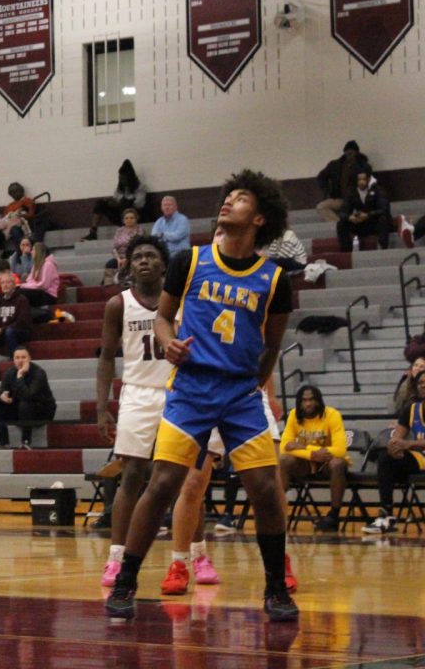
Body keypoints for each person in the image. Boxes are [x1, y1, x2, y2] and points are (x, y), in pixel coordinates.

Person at [105, 169, 298, 623]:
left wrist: (255, 384)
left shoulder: (273, 280)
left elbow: (271, 346)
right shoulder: (189, 261)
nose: (229, 201)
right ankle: (126, 579)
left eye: (242, 198)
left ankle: (274, 588)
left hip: (239, 393)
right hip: (190, 389)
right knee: (164, 483)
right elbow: (163, 318)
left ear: (260, 219)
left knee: (266, 490)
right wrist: (169, 340)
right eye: (228, 195)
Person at [95, 235, 177, 585]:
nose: (144, 260)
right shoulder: (118, 304)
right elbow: (105, 358)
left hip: (176, 393)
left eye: (151, 255)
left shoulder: (179, 300)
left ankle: (187, 557)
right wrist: (102, 407)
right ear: (128, 264)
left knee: (183, 480)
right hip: (137, 394)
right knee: (131, 475)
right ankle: (116, 557)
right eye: (137, 256)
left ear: (163, 263)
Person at [278, 385, 349, 532]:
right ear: (299, 403)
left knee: (338, 464)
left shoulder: (332, 414)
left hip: (327, 463)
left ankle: (334, 516)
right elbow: (284, 446)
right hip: (306, 463)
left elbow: (340, 450)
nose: (308, 403)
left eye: (311, 400)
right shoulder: (294, 415)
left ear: (318, 401)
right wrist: (311, 454)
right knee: (283, 460)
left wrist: (303, 448)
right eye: (304, 400)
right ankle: (278, 509)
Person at [363, 370, 425, 534]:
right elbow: (397, 438)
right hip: (420, 458)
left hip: (419, 455)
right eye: (420, 382)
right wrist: (394, 447)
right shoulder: (411, 409)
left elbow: (406, 443)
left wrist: (407, 444)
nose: (423, 385)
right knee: (386, 458)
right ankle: (387, 515)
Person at [0, 347, 55, 449]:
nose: (20, 360)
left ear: (29, 359)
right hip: (21, 411)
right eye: (17, 358)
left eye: (23, 357)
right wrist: (2, 397)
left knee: (25, 404)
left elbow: (29, 395)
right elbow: (1, 393)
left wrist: (20, 376)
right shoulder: (9, 373)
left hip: (42, 412)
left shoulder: (39, 373)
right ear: (14, 360)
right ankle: (3, 443)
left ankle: (26, 442)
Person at [85, 159, 146, 240]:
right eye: (121, 178)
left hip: (134, 216)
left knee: (126, 203)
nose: (122, 181)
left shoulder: (139, 188)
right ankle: (93, 232)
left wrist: (124, 201)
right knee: (100, 203)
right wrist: (110, 202)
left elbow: (140, 205)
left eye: (124, 179)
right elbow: (116, 199)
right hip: (119, 214)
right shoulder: (120, 188)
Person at [316, 140, 372, 222]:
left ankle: (343, 226)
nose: (349, 155)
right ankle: (340, 224)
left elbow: (366, 182)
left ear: (356, 153)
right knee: (321, 207)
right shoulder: (335, 165)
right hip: (339, 198)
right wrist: (327, 189)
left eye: (351, 152)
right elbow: (321, 177)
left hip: (356, 199)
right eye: (347, 152)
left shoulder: (363, 166)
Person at [337, 170, 391, 251]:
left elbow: (384, 209)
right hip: (359, 223)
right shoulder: (351, 193)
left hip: (373, 222)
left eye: (364, 179)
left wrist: (368, 215)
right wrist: (350, 217)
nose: (361, 182)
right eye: (359, 179)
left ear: (368, 180)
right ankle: (346, 251)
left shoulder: (377, 190)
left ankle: (383, 248)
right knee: (341, 224)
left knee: (383, 219)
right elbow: (342, 212)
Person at [103, 208, 144, 286]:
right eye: (127, 218)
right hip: (120, 257)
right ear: (123, 220)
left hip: (133, 256)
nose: (129, 220)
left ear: (136, 219)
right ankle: (109, 287)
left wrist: (127, 258)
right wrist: (118, 259)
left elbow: (138, 247)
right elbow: (114, 248)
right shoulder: (119, 231)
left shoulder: (140, 230)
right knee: (110, 264)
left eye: (132, 218)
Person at [20, 242, 60, 308]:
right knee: (17, 291)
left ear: (38, 252)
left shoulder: (48, 265)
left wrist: (23, 286)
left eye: (33, 250)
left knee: (23, 292)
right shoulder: (36, 265)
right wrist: (22, 285)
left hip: (49, 296)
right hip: (39, 292)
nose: (31, 252)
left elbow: (44, 285)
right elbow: (30, 280)